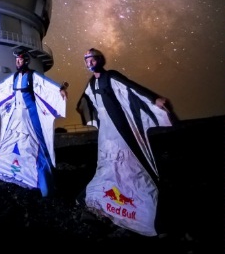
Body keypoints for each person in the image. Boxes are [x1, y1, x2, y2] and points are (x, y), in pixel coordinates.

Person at [76, 47, 177, 236]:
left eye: (92, 59)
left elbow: (131, 87)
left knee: (129, 160)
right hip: (105, 131)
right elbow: (86, 100)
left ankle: (137, 200)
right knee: (108, 161)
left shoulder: (110, 76)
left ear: (99, 59)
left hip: (119, 128)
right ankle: (111, 191)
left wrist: (153, 99)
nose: (89, 62)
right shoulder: (92, 83)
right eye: (86, 60)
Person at [0, 46, 68, 197]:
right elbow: (4, 83)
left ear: (26, 61)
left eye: (21, 60)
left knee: (38, 141)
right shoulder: (14, 77)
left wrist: (60, 88)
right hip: (16, 113)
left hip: (30, 113)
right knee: (7, 138)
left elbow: (45, 83)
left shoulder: (33, 75)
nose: (18, 62)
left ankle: (43, 177)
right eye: (17, 60)